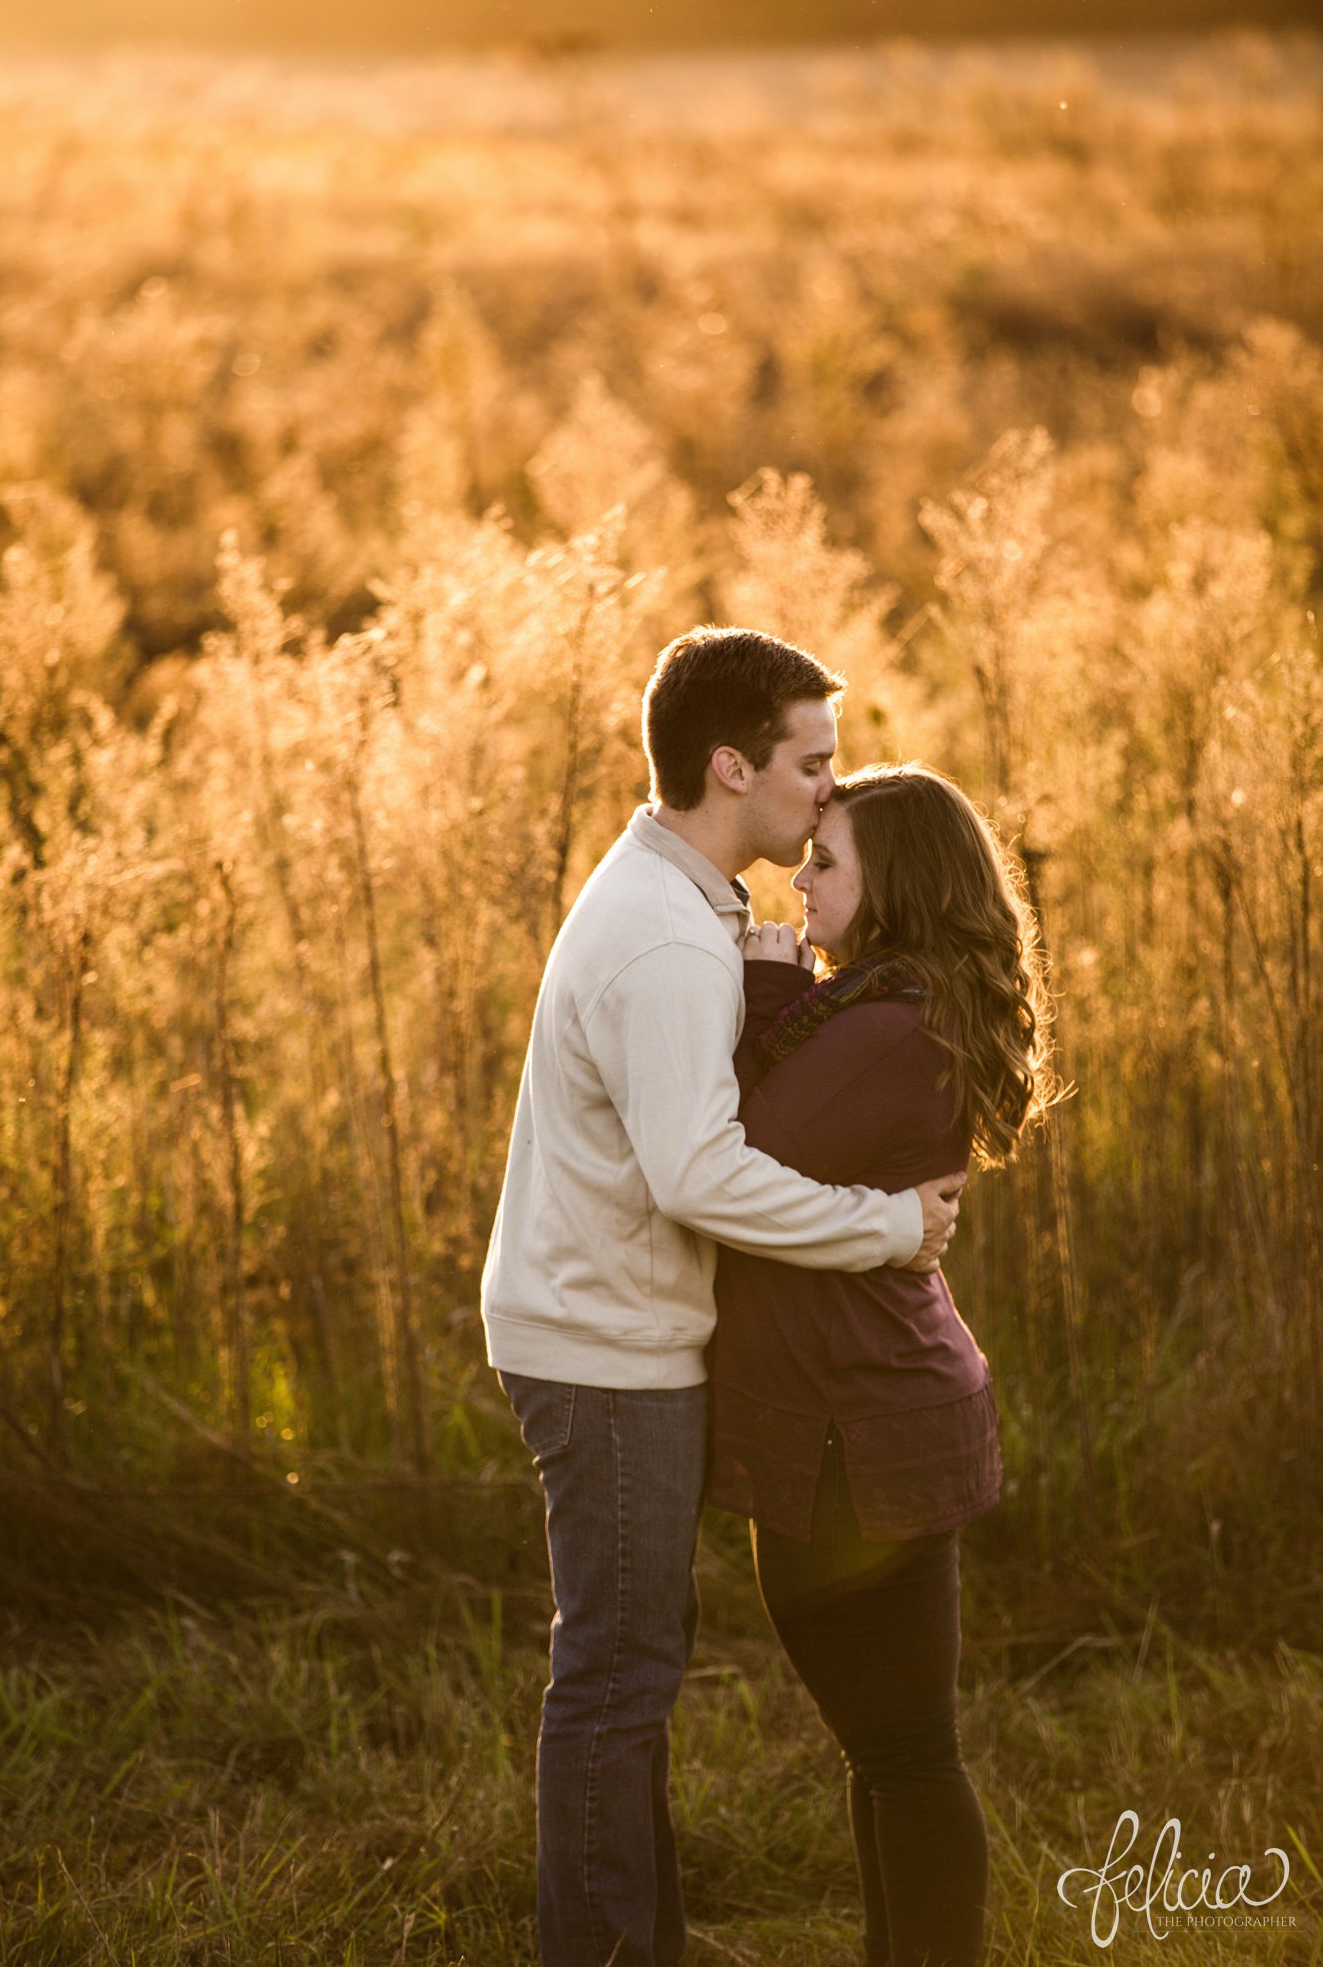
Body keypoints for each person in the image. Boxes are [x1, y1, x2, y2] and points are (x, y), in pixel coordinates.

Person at [481, 628, 966, 1967]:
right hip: (604, 1347)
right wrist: (885, 1227)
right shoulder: (661, 939)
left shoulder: (684, 905)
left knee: (631, 1663)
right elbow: (700, 1173)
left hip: (614, 1328)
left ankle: (641, 1936)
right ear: (730, 764)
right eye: (811, 766)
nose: (830, 789)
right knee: (618, 1678)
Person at [706, 762, 1058, 1967]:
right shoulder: (874, 1005)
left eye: (826, 863)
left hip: (863, 1431)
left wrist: (758, 975)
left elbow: (734, 1147)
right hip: (847, 1417)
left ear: (896, 884)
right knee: (889, 1749)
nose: (798, 882)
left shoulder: (894, 1024)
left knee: (907, 1752)